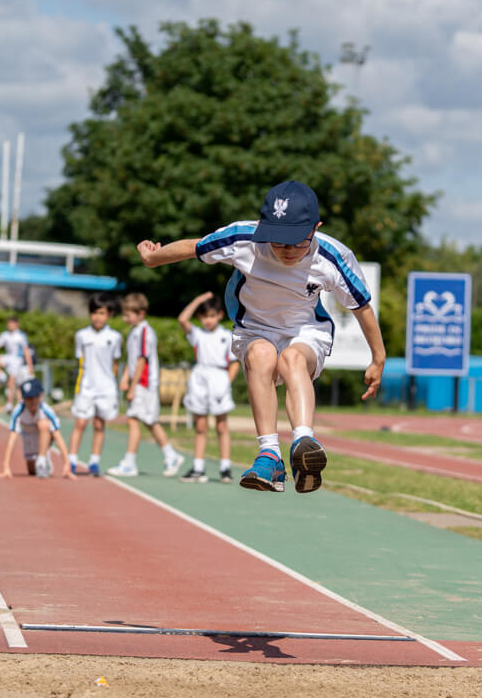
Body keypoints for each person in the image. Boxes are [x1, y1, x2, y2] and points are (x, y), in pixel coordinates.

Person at [136, 180, 385, 493]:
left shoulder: (332, 257)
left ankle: (303, 443)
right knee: (261, 356)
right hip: (254, 327)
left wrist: (378, 357)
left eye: (297, 242)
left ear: (315, 228)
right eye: (279, 242)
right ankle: (269, 453)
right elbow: (193, 247)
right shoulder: (243, 238)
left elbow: (361, 307)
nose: (287, 251)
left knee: (293, 360)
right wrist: (152, 258)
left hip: (305, 330)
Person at [107, 293, 184, 478]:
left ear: (141, 313)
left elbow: (142, 361)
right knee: (149, 422)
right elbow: (132, 361)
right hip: (139, 383)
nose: (125, 318)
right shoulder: (134, 331)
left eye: (128, 315)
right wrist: (125, 378)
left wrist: (133, 387)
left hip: (145, 384)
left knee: (134, 420)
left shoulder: (144, 332)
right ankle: (171, 455)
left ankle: (129, 463)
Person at [177, 291, 241, 483]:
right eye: (204, 316)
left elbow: (234, 363)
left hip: (219, 378)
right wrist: (198, 299)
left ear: (220, 315)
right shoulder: (197, 334)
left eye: (212, 316)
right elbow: (182, 319)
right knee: (201, 426)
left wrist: (225, 383)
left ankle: (225, 468)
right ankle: (198, 467)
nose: (208, 320)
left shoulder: (227, 335)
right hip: (200, 378)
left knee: (221, 425)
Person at [68, 293, 122, 476]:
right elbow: (81, 361)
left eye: (102, 313)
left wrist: (112, 383)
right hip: (86, 386)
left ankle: (94, 462)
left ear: (109, 315)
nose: (98, 317)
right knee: (80, 423)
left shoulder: (114, 337)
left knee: (99, 425)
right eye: (94, 313)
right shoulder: (81, 335)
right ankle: (72, 460)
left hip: (105, 388)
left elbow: (115, 363)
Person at [0, 378, 74, 479]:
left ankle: (42, 459)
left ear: (41, 395)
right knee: (32, 471)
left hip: (44, 437)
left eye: (35, 397)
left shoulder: (46, 410)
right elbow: (12, 438)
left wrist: (67, 464)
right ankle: (42, 461)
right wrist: (6, 467)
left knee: (44, 423)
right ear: (23, 399)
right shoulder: (18, 411)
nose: (32, 401)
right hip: (28, 438)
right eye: (29, 398)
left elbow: (58, 436)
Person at [0, 316, 34, 413]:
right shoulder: (4, 335)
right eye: (8, 323)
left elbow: (26, 351)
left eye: (11, 323)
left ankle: (9, 404)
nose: (9, 325)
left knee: (12, 383)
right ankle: (1, 376)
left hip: (17, 360)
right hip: (9, 357)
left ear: (17, 324)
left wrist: (30, 366)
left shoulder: (21, 336)